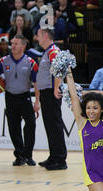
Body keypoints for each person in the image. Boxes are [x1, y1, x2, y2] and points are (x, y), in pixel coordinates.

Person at [0, 35, 40, 166]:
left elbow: (36, 82)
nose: (13, 46)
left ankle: (28, 155)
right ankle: (19, 155)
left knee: (31, 124)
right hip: (10, 97)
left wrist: (37, 101)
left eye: (16, 44)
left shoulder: (31, 62)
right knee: (13, 127)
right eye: (12, 43)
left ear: (23, 46)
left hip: (25, 97)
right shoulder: (3, 61)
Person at [36, 27, 67, 170]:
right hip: (46, 92)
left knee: (54, 125)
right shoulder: (48, 51)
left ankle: (60, 159)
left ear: (45, 35)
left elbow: (59, 68)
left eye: (38, 35)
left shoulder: (53, 50)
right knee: (50, 125)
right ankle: (54, 156)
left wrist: (56, 88)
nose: (37, 38)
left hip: (51, 92)